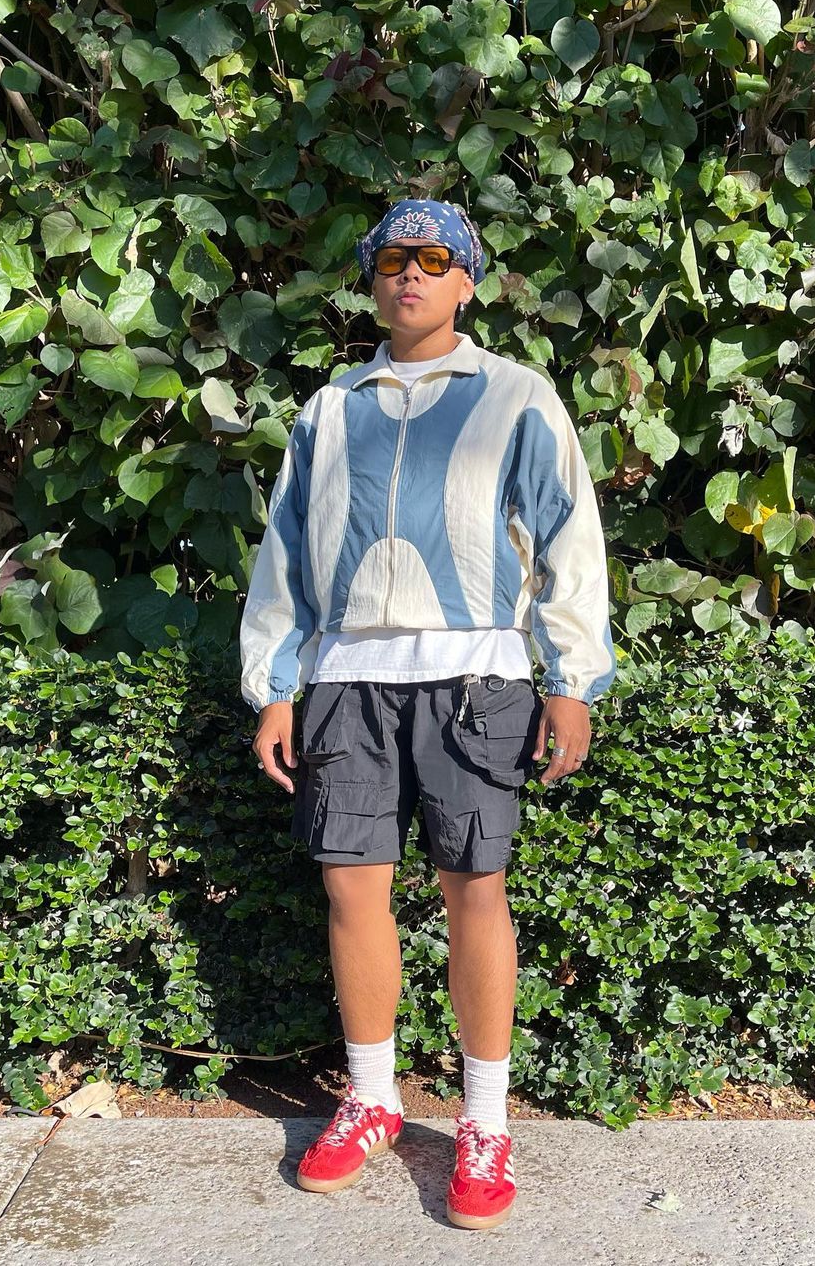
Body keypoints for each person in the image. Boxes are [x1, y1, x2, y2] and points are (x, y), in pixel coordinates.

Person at [239, 197, 615, 1230]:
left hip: (477, 680)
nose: (413, 272)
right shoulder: (329, 409)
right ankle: (372, 1098)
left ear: (467, 282)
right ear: (373, 279)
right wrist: (275, 685)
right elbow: (284, 557)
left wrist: (571, 680)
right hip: (347, 681)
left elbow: (569, 539)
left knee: (475, 892)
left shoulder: (516, 397)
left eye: (436, 258)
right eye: (394, 257)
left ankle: (485, 1123)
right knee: (351, 890)